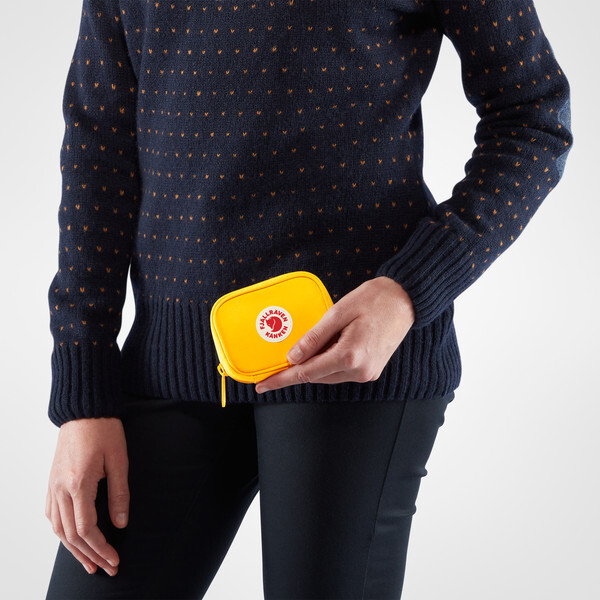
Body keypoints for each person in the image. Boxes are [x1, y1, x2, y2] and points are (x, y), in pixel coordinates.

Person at [44, 1, 573, 598]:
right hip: (170, 362)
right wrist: (83, 396)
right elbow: (98, 149)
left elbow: (535, 113)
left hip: (354, 359)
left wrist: (409, 289)